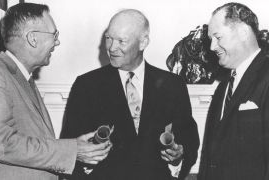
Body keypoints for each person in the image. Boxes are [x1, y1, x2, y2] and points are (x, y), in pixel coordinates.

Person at [0, 3, 112, 180]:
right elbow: (3, 143)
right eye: (54, 35)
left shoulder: (22, 77)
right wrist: (73, 150)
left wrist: (79, 150)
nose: (57, 41)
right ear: (32, 38)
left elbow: (36, 143)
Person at [60, 9, 199, 180]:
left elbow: (189, 142)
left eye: (121, 41)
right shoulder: (86, 85)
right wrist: (88, 163)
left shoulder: (173, 85)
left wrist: (177, 158)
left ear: (143, 42)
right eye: (108, 38)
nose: (112, 48)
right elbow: (70, 149)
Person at [198, 2, 269, 180]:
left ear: (243, 32)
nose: (212, 47)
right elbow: (208, 159)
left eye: (218, 37)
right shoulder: (223, 87)